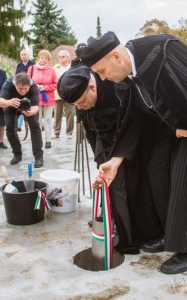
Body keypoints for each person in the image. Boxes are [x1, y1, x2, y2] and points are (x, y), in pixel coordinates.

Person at [77, 31, 187, 274]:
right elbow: (134, 119)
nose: (102, 79)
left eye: (102, 71)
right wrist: (116, 160)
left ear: (116, 56)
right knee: (156, 170)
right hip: (178, 127)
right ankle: (172, 233)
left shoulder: (162, 50)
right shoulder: (127, 77)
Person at [57, 62, 163, 254]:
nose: (80, 108)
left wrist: (119, 155)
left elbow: (135, 119)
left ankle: (134, 237)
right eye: (75, 105)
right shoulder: (83, 98)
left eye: (81, 102)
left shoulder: (115, 84)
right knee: (109, 184)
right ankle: (116, 224)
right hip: (103, 138)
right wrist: (99, 156)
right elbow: (92, 128)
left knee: (129, 185)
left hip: (131, 138)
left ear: (92, 86)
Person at [0, 73, 44, 168]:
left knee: (35, 127)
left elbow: (36, 106)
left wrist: (31, 112)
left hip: (29, 106)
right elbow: (0, 102)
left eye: (25, 89)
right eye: (20, 88)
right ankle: (17, 154)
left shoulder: (33, 86)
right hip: (11, 105)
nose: (23, 91)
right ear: (14, 84)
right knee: (10, 129)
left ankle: (38, 156)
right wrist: (9, 102)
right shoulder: (8, 83)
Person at [27, 50, 57, 149]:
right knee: (37, 120)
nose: (43, 60)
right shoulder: (31, 68)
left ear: (48, 60)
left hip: (48, 98)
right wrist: (36, 87)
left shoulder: (51, 70)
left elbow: (55, 84)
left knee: (48, 119)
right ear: (38, 58)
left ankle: (48, 140)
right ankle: (38, 139)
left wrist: (45, 87)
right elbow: (27, 82)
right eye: (42, 57)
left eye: (46, 58)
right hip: (35, 97)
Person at [52, 50, 74, 139]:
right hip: (58, 93)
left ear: (68, 58)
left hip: (69, 93)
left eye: (63, 56)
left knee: (70, 113)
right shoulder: (56, 67)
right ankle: (56, 132)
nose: (61, 58)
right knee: (57, 113)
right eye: (60, 57)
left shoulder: (72, 67)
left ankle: (69, 133)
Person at [15, 49, 35, 132]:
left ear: (28, 55)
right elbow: (16, 76)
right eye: (22, 54)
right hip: (20, 89)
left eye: (25, 54)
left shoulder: (33, 64)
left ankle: (38, 124)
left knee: (30, 105)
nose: (23, 56)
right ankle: (18, 125)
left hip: (29, 87)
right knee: (21, 105)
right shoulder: (19, 65)